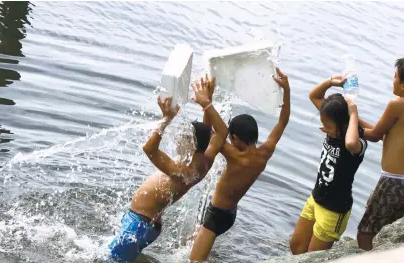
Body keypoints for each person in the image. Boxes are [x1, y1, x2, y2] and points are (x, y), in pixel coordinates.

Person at [109, 75, 228, 261]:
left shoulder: (182, 171)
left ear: (192, 142)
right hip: (145, 223)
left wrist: (166, 119)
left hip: (139, 225)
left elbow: (149, 149)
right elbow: (217, 132)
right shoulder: (204, 160)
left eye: (184, 137)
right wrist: (207, 102)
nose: (179, 139)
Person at [189, 68, 291, 262]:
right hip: (229, 214)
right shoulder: (264, 153)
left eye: (230, 137)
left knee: (194, 261)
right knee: (199, 250)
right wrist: (286, 90)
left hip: (216, 216)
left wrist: (207, 103)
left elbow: (213, 133)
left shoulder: (235, 156)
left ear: (235, 138)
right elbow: (283, 121)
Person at [356, 57, 404, 251]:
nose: (393, 80)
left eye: (395, 77)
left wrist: (352, 123)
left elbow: (373, 135)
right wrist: (355, 118)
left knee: (365, 232)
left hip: (394, 181)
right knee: (382, 232)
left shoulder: (396, 104)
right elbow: (384, 134)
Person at [289, 75, 368, 254]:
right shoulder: (334, 126)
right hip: (316, 198)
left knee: (312, 258)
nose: (324, 128)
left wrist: (353, 111)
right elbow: (314, 96)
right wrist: (332, 82)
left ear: (344, 124)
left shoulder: (357, 142)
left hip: (334, 210)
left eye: (328, 125)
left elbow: (349, 143)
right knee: (296, 246)